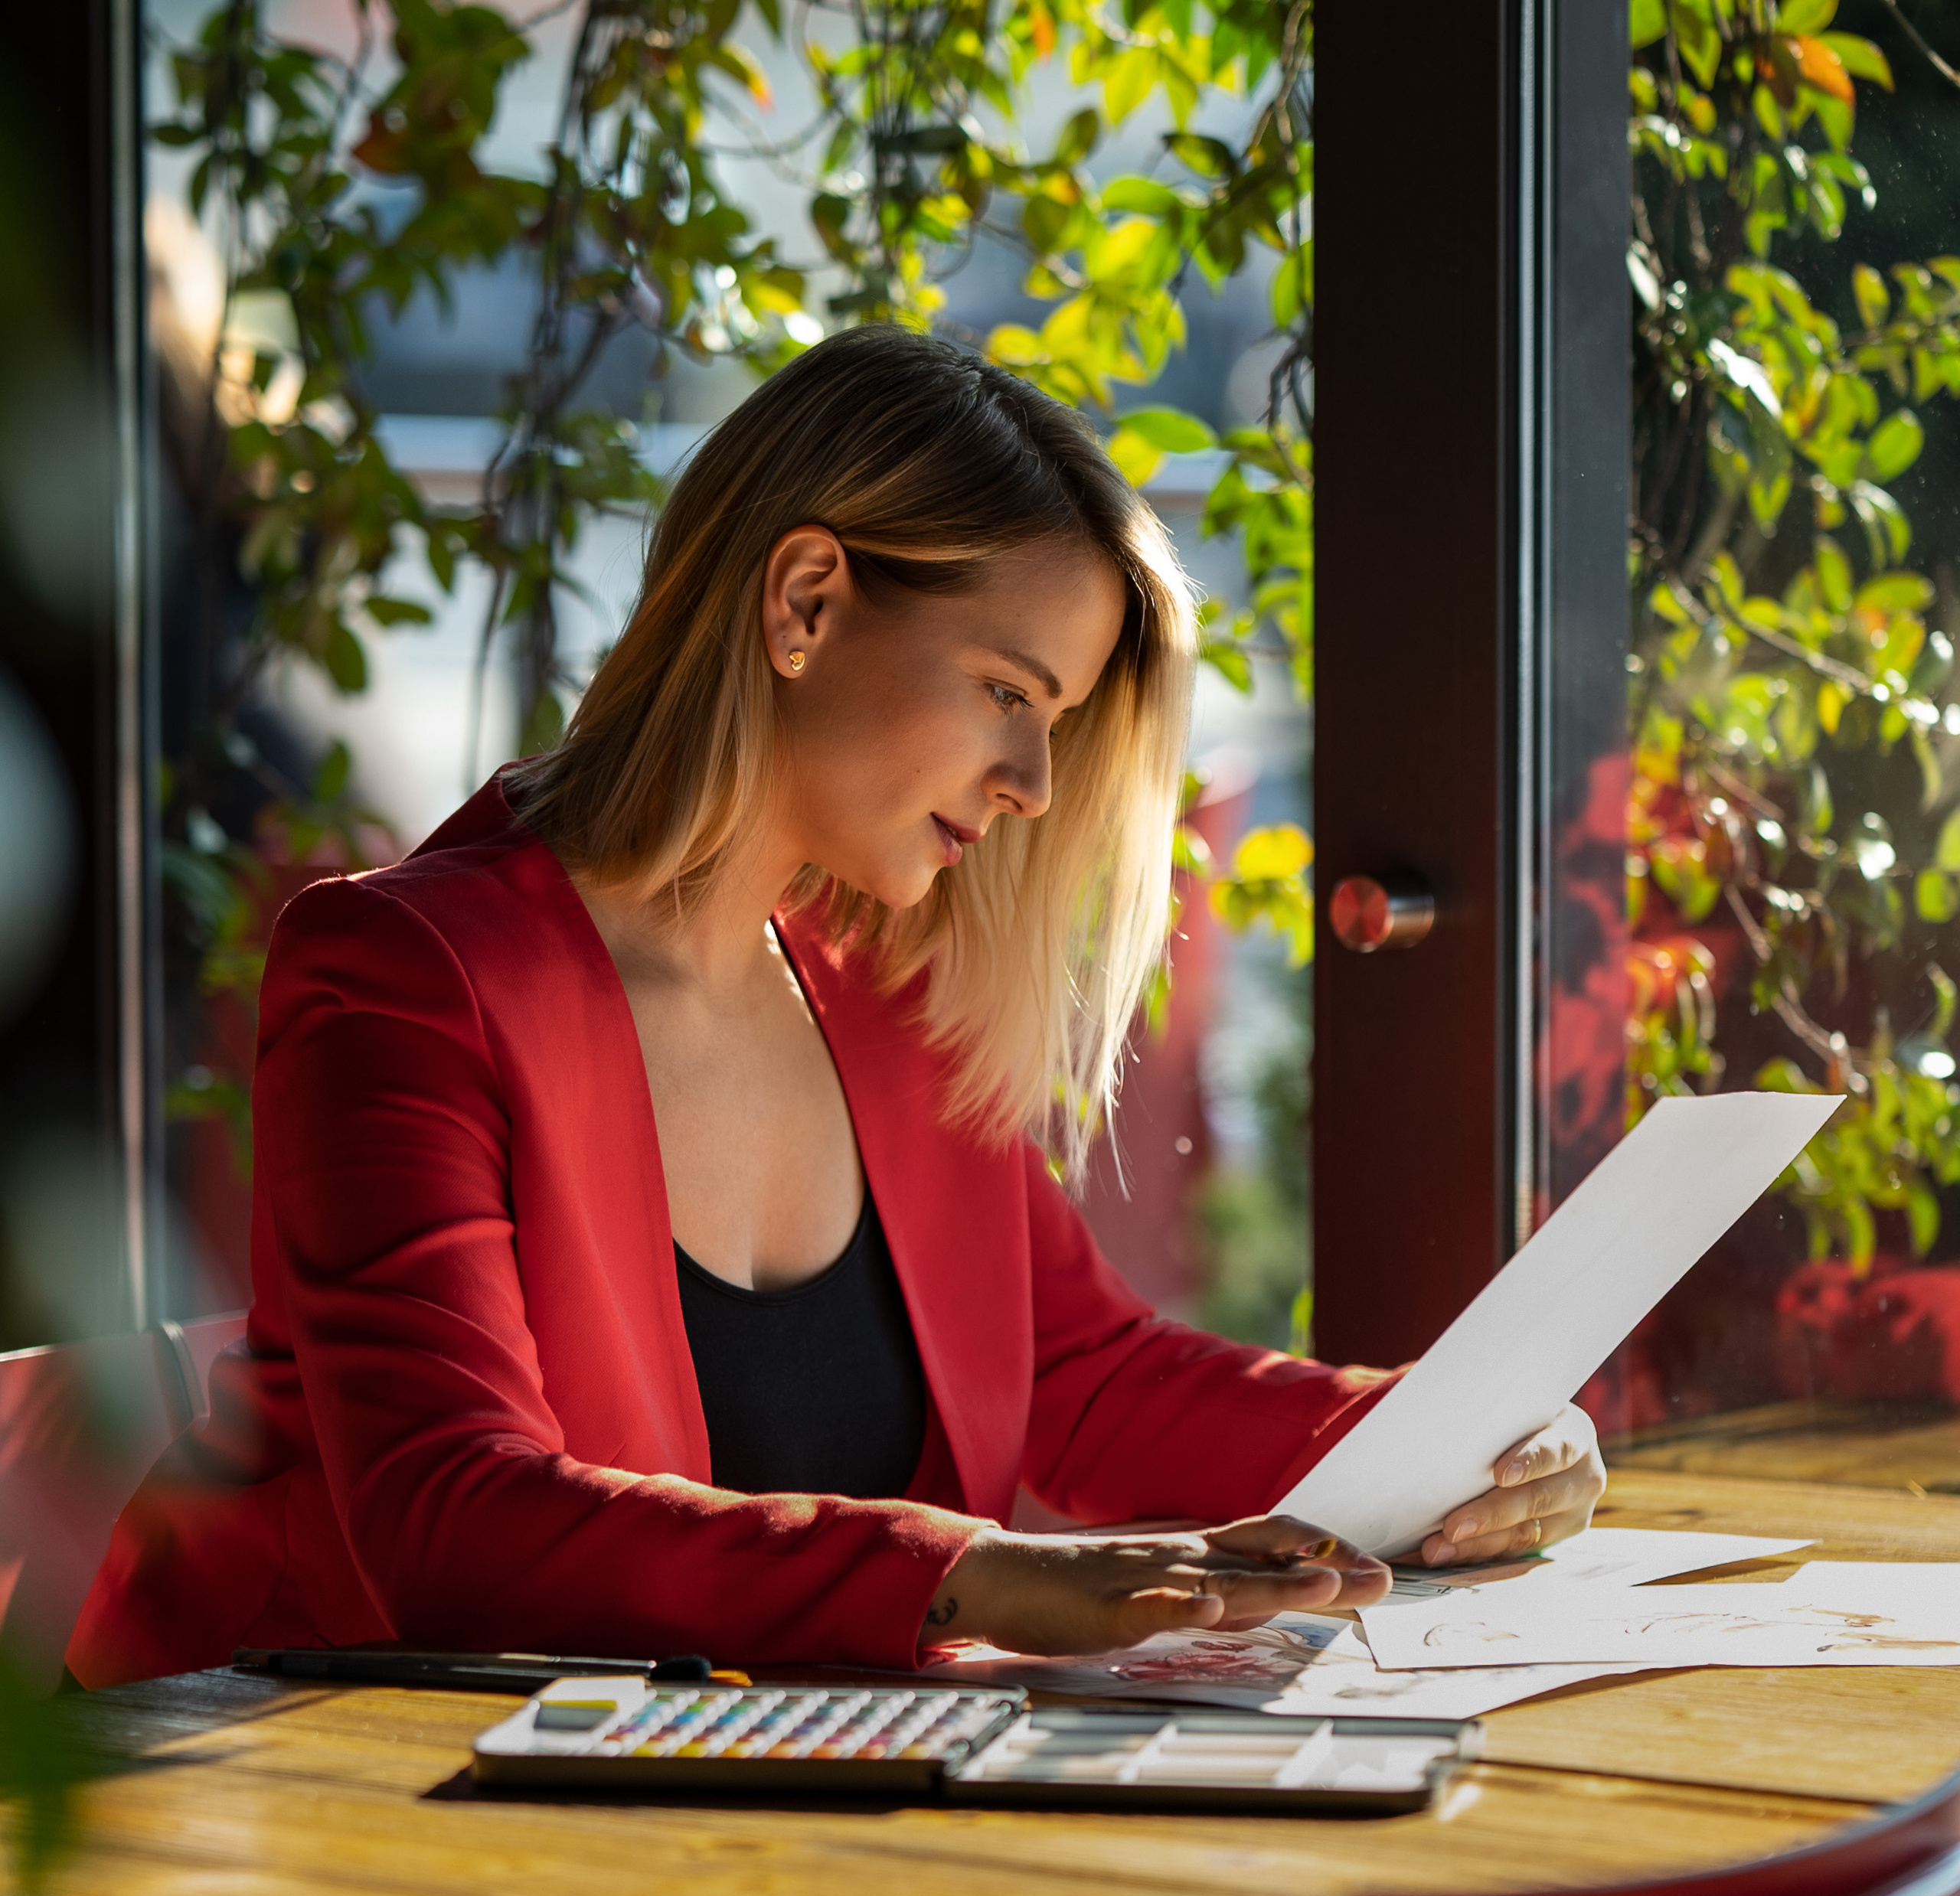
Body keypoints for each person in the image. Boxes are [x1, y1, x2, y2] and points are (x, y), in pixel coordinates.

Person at [67, 328, 1604, 1687]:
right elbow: (450, 1517)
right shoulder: (405, 979)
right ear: (804, 600)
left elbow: (1074, 1371)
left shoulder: (880, 983)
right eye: (1007, 692)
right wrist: (971, 1572)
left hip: (698, 1789)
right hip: (298, 1785)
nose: (1033, 784)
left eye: (1057, 721)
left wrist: (1448, 1436)